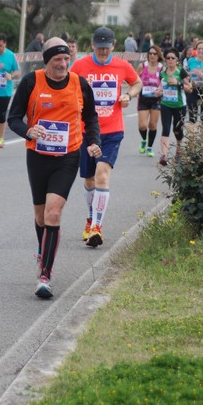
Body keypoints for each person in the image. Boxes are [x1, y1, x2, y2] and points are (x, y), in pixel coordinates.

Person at [8, 37, 101, 299]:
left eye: (66, 59)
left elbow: (91, 116)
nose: (63, 64)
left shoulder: (79, 84)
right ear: (46, 61)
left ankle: (45, 275)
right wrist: (28, 131)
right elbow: (13, 118)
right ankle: (43, 251)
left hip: (68, 156)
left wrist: (94, 141)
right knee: (40, 216)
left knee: (53, 213)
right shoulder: (31, 82)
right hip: (37, 156)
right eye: (57, 60)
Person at [71, 27, 142, 247]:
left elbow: (137, 82)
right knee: (90, 179)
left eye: (107, 47)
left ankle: (97, 228)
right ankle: (91, 218)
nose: (103, 51)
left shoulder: (122, 65)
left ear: (114, 45)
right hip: (86, 131)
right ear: (92, 45)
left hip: (112, 131)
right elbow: (68, 85)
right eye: (99, 47)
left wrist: (128, 95)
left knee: (102, 175)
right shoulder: (80, 66)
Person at [154, 47, 192, 165]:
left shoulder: (181, 72)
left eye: (172, 58)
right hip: (166, 104)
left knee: (177, 130)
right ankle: (164, 156)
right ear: (165, 60)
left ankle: (179, 151)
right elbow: (160, 88)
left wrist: (178, 83)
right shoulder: (162, 73)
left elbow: (190, 88)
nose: (170, 60)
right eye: (168, 58)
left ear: (177, 60)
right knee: (165, 128)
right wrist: (158, 92)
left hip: (180, 105)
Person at [136, 45, 164, 157]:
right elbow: (134, 79)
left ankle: (149, 147)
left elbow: (164, 84)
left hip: (156, 100)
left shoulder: (162, 68)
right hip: (143, 99)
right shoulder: (142, 66)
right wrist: (132, 91)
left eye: (154, 54)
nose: (152, 56)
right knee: (142, 126)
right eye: (150, 53)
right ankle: (144, 140)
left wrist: (160, 91)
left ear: (158, 56)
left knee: (152, 125)